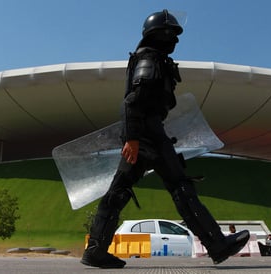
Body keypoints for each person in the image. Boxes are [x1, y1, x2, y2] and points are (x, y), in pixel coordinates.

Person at [81, 10, 249, 268]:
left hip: (147, 133)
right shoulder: (150, 59)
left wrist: (135, 137)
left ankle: (95, 249)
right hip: (149, 135)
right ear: (157, 34)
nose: (176, 41)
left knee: (119, 192)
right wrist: (133, 138)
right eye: (171, 34)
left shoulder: (149, 58)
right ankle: (216, 244)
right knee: (181, 187)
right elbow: (132, 101)